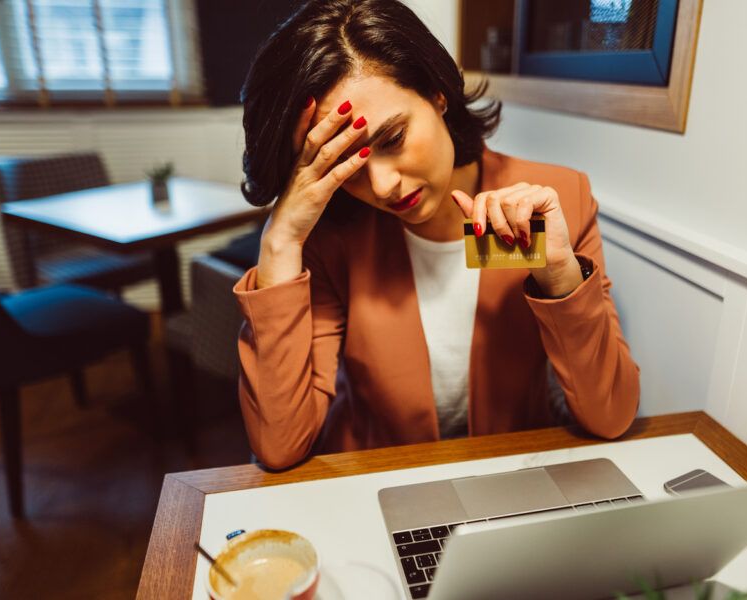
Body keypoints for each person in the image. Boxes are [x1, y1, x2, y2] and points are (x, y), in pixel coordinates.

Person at [233, 0, 640, 469]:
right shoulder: (335, 236)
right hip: (379, 480)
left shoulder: (557, 201)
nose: (382, 186)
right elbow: (279, 446)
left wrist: (561, 277)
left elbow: (611, 416)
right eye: (346, 165)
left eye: (392, 139)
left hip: (511, 479)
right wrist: (280, 241)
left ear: (437, 93)